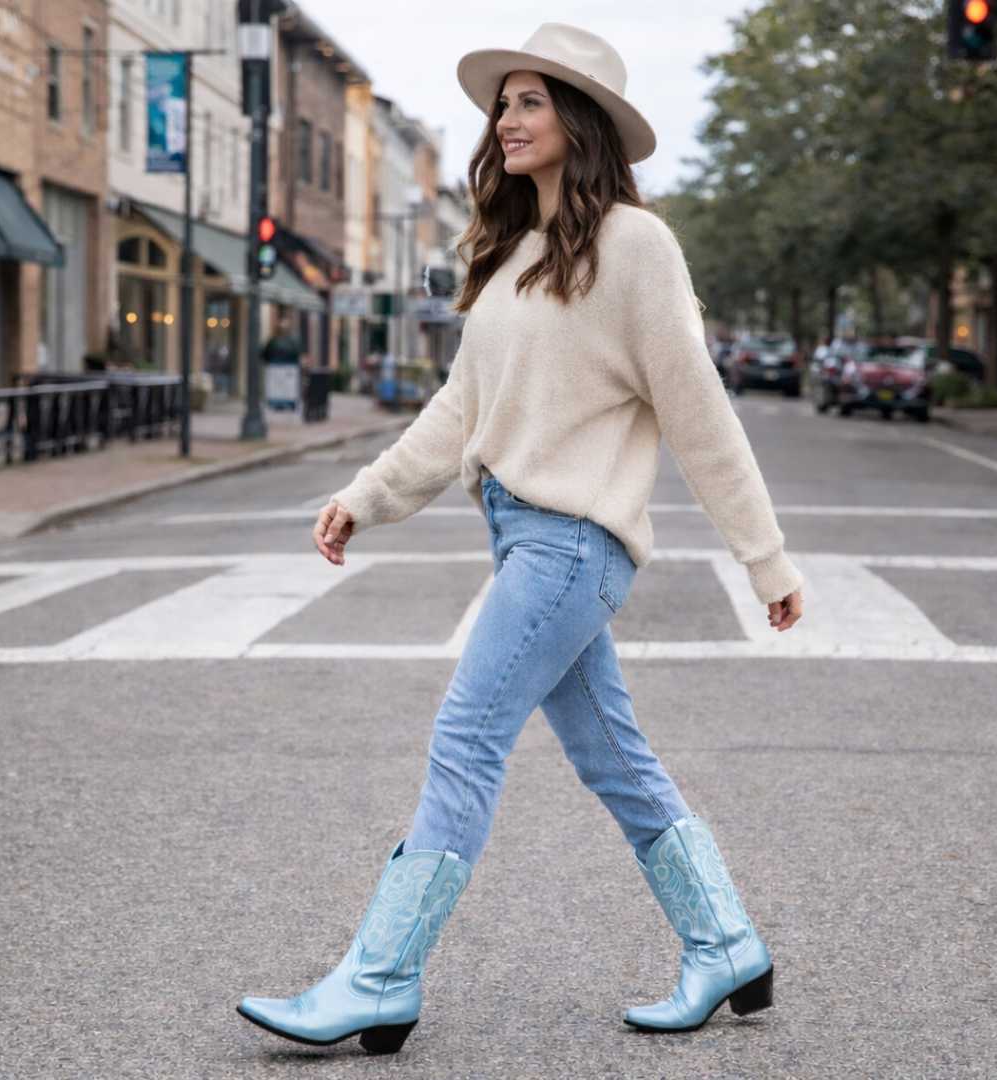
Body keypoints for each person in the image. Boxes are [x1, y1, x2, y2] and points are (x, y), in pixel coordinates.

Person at [238, 23, 804, 1054]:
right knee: (615, 759)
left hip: (571, 546)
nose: (506, 118)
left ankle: (379, 978)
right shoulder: (514, 258)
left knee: (465, 742)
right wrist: (366, 495)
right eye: (503, 102)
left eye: (531, 100)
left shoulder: (636, 246)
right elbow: (461, 410)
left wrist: (763, 558)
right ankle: (725, 944)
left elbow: (699, 412)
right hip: (525, 542)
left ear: (580, 121)